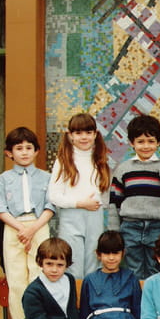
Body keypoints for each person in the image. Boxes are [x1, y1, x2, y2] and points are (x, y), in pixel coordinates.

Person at [0, 127, 55, 319]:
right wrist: (21, 229)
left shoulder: (46, 177)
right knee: (17, 279)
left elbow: (50, 206)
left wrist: (32, 229)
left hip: (39, 226)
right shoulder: (3, 179)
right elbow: (0, 209)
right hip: (13, 227)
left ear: (36, 151)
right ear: (9, 153)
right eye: (19, 148)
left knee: (38, 275)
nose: (24, 152)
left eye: (29, 148)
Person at [109, 114, 160, 280]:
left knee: (157, 269)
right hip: (130, 227)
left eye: (151, 141)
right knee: (133, 271)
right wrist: (114, 232)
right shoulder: (123, 169)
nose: (146, 146)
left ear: (158, 142)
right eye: (140, 141)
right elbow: (114, 203)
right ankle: (136, 297)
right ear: (132, 143)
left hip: (157, 228)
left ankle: (154, 297)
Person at [48, 113, 111, 279]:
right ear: (70, 135)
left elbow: (105, 194)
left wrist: (96, 204)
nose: (84, 137)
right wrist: (80, 203)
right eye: (78, 133)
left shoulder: (101, 161)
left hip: (95, 217)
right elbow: (54, 195)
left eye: (88, 132)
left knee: (93, 264)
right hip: (71, 218)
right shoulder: (63, 161)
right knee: (73, 266)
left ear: (95, 134)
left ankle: (91, 296)